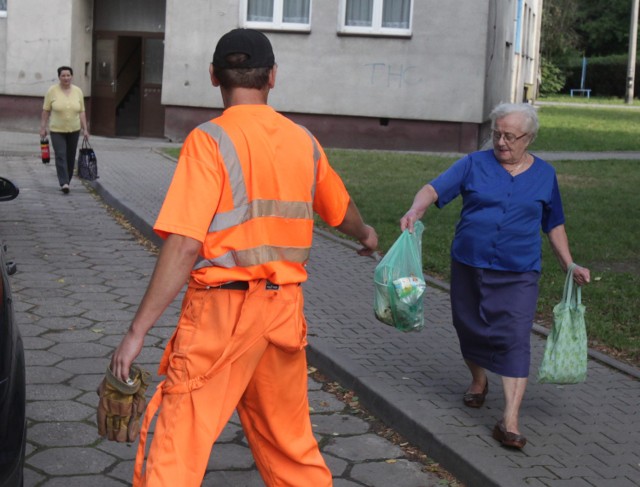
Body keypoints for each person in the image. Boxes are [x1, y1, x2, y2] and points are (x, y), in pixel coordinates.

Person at [109, 28, 378, 486]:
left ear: (214, 76)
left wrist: (137, 332)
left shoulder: (209, 140)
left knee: (180, 444)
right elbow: (340, 209)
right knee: (290, 447)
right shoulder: (303, 141)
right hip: (282, 315)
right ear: (272, 76)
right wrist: (367, 233)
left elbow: (185, 243)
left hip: (222, 317)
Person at [400, 103, 590, 450]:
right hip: (469, 264)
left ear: (528, 138)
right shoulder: (474, 163)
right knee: (468, 325)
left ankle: (510, 420)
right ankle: (478, 381)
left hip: (519, 271)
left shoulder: (545, 175)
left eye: (510, 136)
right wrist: (416, 208)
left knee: (515, 335)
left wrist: (569, 264)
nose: (501, 142)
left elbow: (554, 222)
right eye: (497, 133)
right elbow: (433, 189)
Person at [40, 66, 89, 194]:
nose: (66, 78)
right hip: (57, 130)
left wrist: (85, 129)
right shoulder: (52, 91)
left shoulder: (78, 91)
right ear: (59, 77)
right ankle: (64, 183)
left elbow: (82, 111)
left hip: (74, 129)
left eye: (68, 75)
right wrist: (43, 127)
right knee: (60, 155)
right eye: (63, 75)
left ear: (71, 76)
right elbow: (46, 110)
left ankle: (67, 179)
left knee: (71, 157)